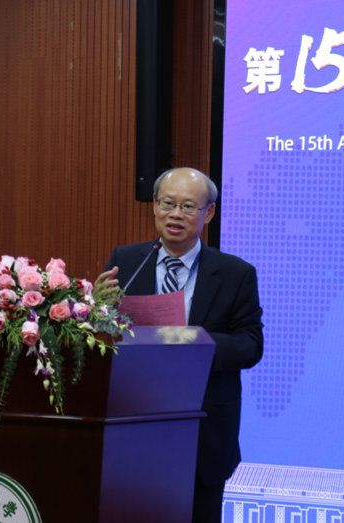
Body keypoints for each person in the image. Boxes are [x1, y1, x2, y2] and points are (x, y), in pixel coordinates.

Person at [96, 167, 263, 523]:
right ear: (155, 205)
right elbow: (101, 332)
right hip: (134, 424)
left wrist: (192, 341)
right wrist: (95, 307)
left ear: (209, 212)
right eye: (167, 203)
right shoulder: (126, 262)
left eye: (188, 206)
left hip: (203, 429)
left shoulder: (235, 274)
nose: (175, 214)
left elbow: (250, 345)